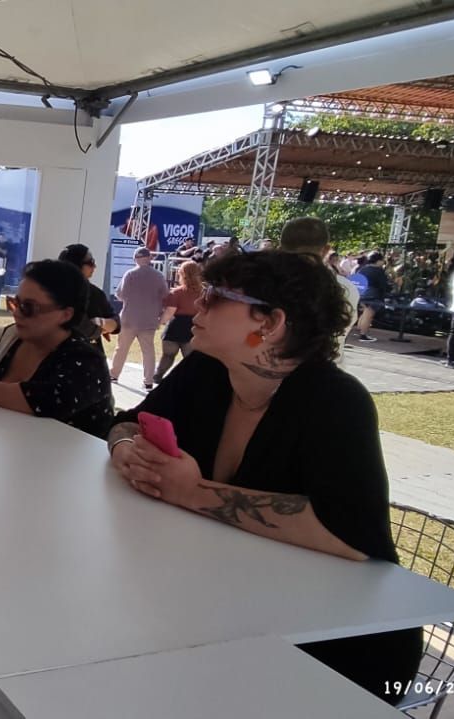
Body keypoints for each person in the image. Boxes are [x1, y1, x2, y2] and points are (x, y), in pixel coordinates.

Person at [106, 250, 420, 706]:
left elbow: (345, 532)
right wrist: (126, 449)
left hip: (331, 646)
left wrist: (193, 491)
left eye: (214, 297)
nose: (198, 305)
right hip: (226, 606)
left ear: (271, 323)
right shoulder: (206, 370)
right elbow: (126, 420)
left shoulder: (334, 401)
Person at [0, 260, 114, 437]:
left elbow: (39, 401)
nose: (16, 313)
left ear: (65, 314)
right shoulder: (11, 337)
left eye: (28, 307)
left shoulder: (87, 362)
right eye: (14, 303)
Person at [279, 217, 358, 360]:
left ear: (280, 247)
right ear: (326, 249)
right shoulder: (346, 289)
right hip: (324, 368)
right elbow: (342, 331)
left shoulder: (260, 282)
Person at [111, 246, 169, 389]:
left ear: (135, 259)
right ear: (150, 258)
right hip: (149, 319)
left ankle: (114, 375)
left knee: (121, 349)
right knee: (148, 351)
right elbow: (165, 295)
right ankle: (148, 381)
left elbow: (120, 294)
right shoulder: (159, 276)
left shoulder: (130, 274)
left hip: (129, 318)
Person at [56, 243, 118, 353]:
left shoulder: (95, 293)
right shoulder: (49, 290)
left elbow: (116, 323)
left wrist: (101, 322)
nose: (94, 266)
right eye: (90, 262)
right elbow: (81, 327)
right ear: (76, 265)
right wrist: (98, 330)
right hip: (81, 357)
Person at [154, 260, 203, 383]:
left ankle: (158, 376)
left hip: (175, 326)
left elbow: (169, 312)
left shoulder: (176, 293)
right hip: (194, 327)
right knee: (190, 359)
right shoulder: (204, 293)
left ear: (182, 274)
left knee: (168, 356)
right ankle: (190, 381)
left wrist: (159, 323)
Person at [350, 252, 391, 342]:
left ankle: (359, 330)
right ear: (378, 261)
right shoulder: (378, 271)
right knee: (369, 315)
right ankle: (363, 335)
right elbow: (383, 285)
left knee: (365, 313)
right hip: (373, 295)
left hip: (361, 293)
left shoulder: (363, 269)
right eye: (382, 260)